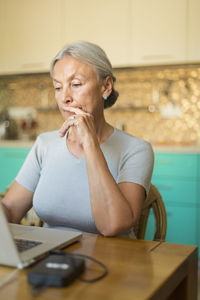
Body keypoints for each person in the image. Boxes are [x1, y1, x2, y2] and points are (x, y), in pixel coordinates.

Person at [2, 41, 154, 237]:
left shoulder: (136, 150)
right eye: (58, 87)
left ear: (106, 87)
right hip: (49, 261)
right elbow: (11, 210)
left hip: (112, 263)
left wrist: (90, 143)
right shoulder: (45, 144)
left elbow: (113, 226)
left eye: (75, 84)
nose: (65, 97)